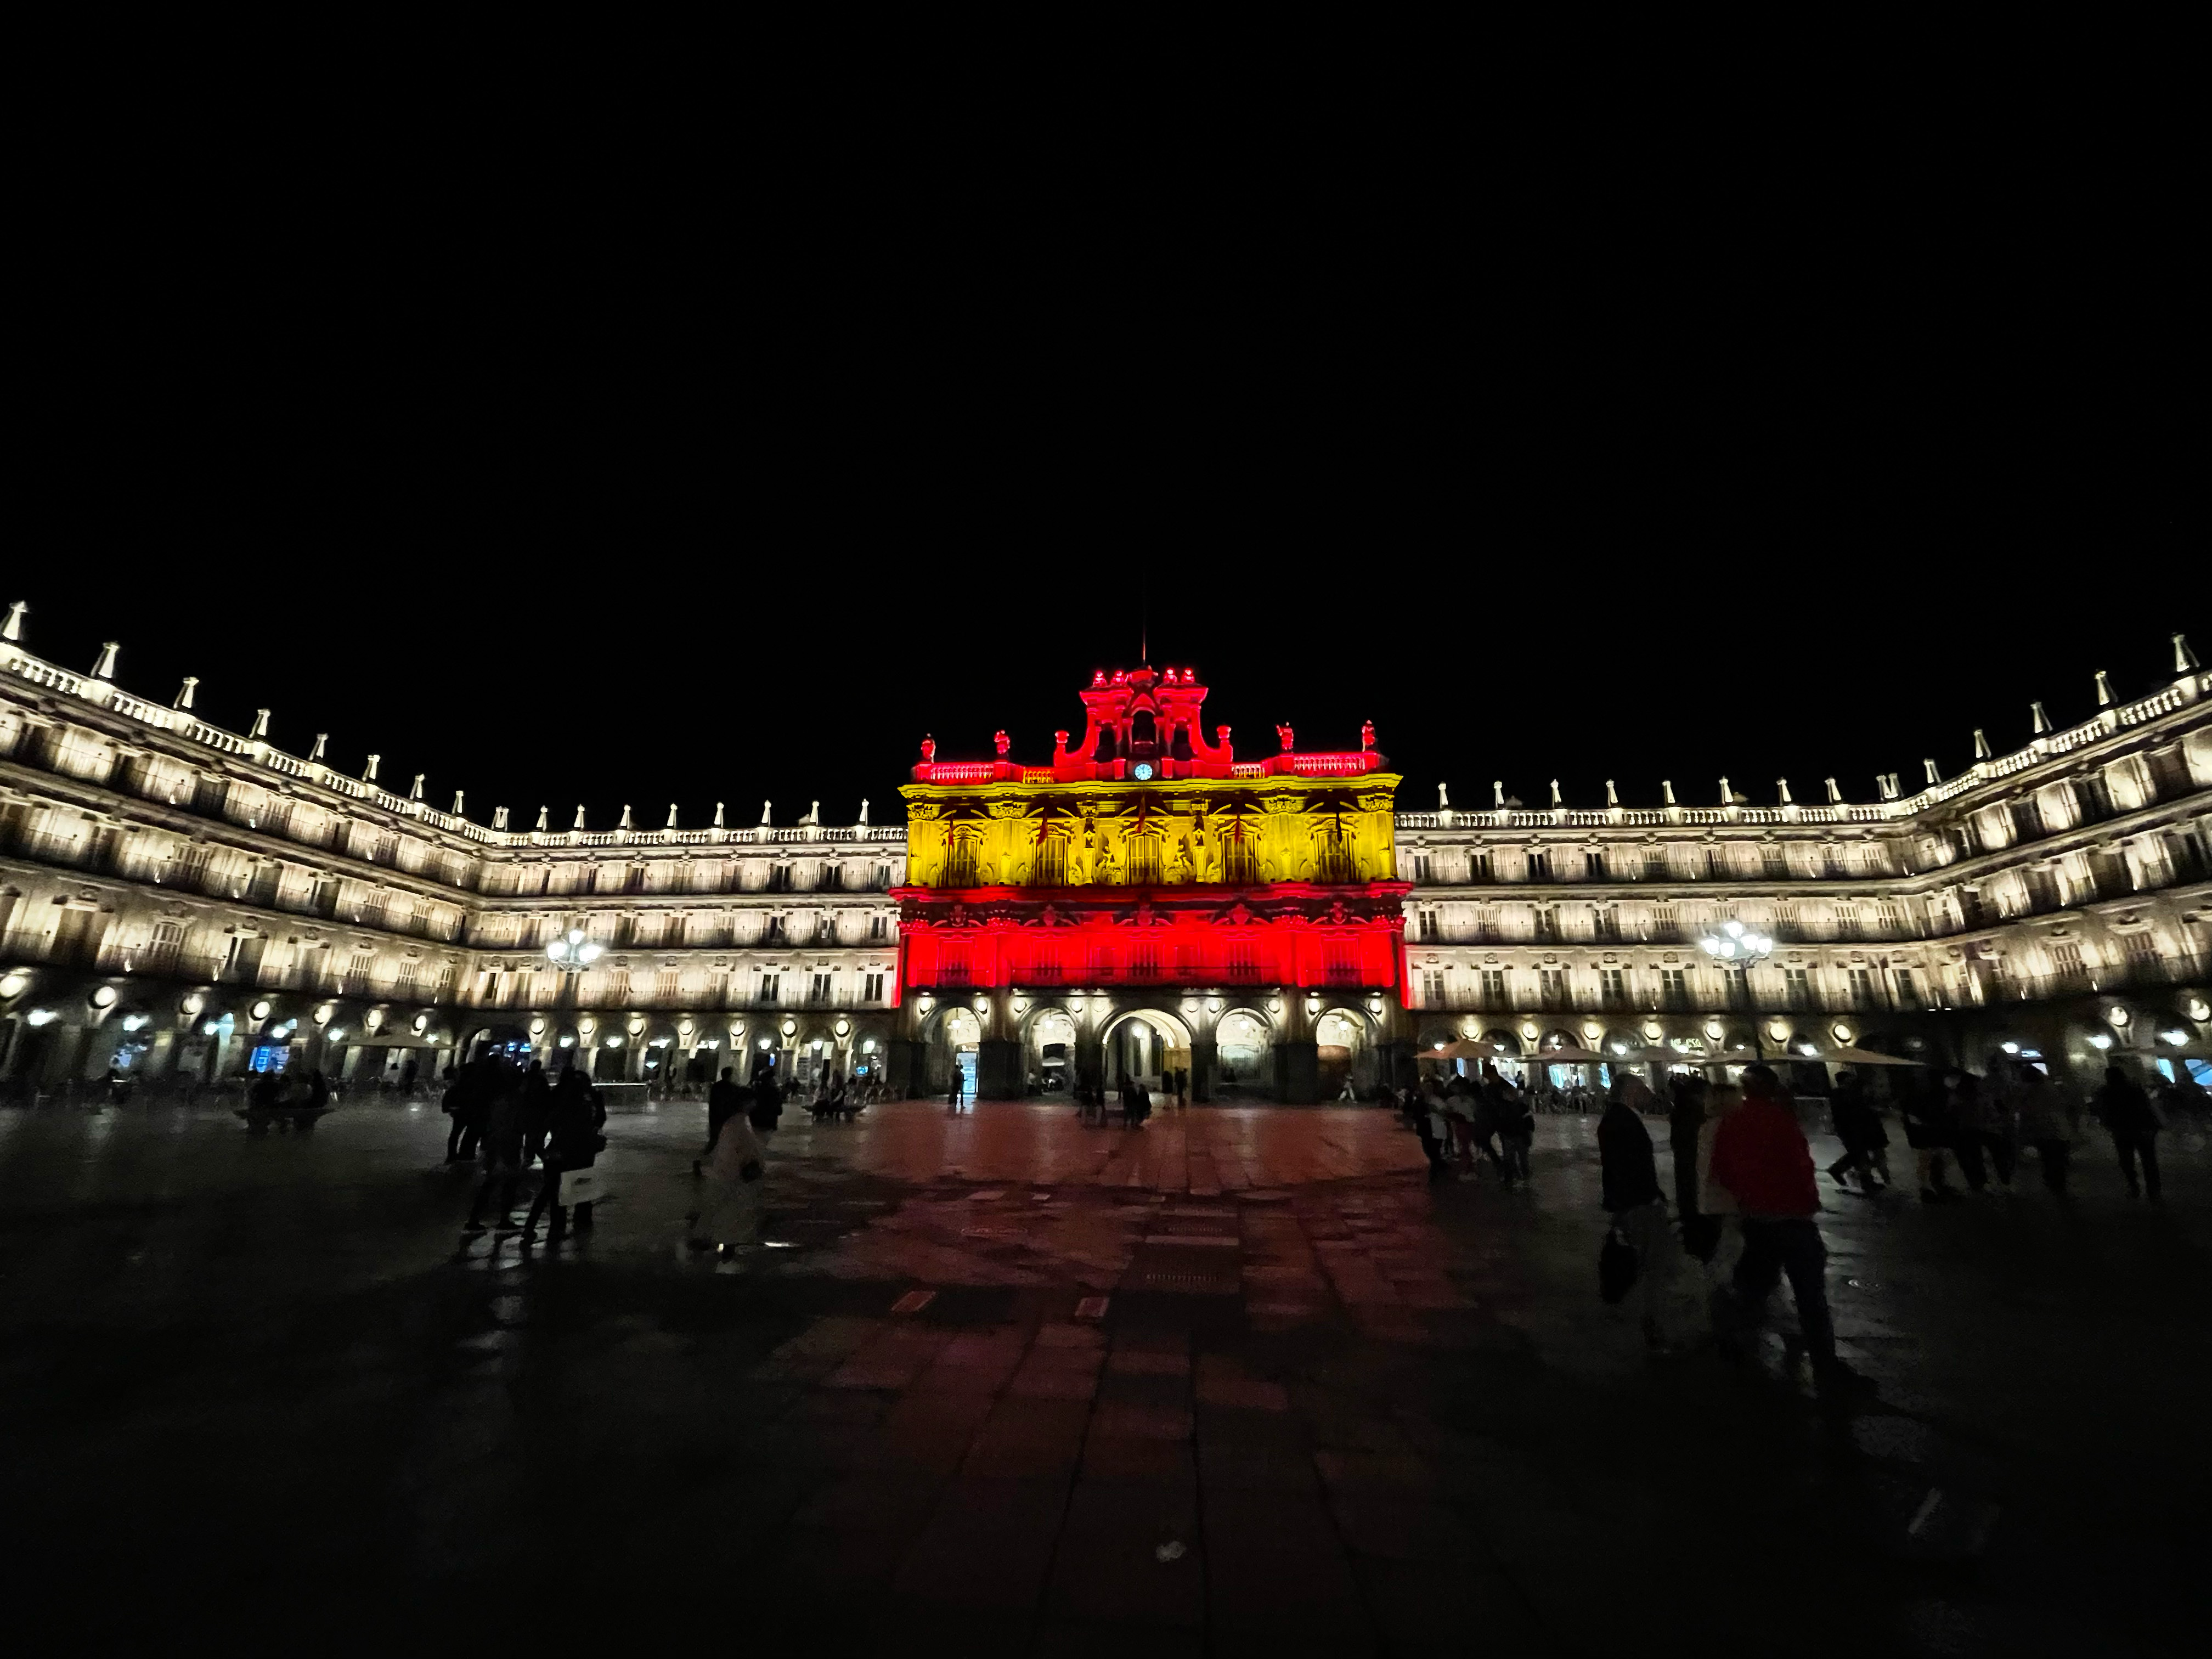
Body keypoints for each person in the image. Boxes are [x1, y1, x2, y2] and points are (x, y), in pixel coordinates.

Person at [1707, 1065, 1869, 1395]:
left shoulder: (1732, 1123)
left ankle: (1733, 1345)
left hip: (1756, 1219)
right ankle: (1826, 1366)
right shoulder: (1781, 1120)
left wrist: (1747, 1198)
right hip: (1793, 1220)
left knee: (1754, 1289)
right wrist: (1806, 1202)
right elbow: (1801, 1166)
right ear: (1772, 1088)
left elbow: (1722, 1169)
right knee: (1811, 1297)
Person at [1600, 1073, 1677, 1348]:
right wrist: (1648, 1199)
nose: (1649, 1093)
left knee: (1648, 1262)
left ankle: (1640, 1316)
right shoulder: (1621, 1120)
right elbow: (1625, 1168)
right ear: (1630, 1092)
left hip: (1636, 1202)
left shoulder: (1619, 1118)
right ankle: (1651, 1325)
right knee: (1653, 1265)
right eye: (1643, 1088)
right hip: (1639, 1205)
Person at [690, 1102, 768, 1258]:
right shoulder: (740, 1126)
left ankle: (710, 1240)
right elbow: (747, 1149)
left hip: (725, 1173)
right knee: (730, 1213)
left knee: (721, 1209)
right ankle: (725, 1246)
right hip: (734, 1176)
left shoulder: (732, 1125)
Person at [464, 1070, 527, 1232]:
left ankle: (481, 1219)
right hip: (505, 1146)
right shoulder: (511, 1102)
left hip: (502, 1145)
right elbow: (504, 1127)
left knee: (496, 1184)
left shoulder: (502, 1100)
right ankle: (490, 1219)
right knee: (501, 1183)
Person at [2092, 1064, 2163, 1201]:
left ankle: (2134, 1186)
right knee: (2149, 1161)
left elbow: (2101, 1110)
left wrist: (2108, 1124)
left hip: (2121, 1130)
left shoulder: (2105, 1092)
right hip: (2142, 1128)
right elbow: (2147, 1108)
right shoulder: (2135, 1089)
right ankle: (2154, 1190)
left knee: (2127, 1161)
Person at [1668, 1075, 1716, 1259]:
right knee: (1696, 1207)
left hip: (1687, 1171)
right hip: (1695, 1171)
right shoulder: (1694, 1114)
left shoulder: (1682, 1111)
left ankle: (1695, 1240)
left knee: (1689, 1202)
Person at [2011, 1061, 2075, 1197]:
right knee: (2057, 1157)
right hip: (2057, 1127)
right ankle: (2059, 1185)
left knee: (2048, 1157)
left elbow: (2024, 1110)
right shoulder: (2051, 1088)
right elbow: (2065, 1104)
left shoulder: (2026, 1091)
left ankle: (2054, 1183)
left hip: (2042, 1129)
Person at [1824, 1069, 1888, 1195]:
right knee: (1859, 1155)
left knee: (1858, 1154)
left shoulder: (1849, 1094)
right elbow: (1847, 1113)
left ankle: (1861, 1179)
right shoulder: (1841, 1095)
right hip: (1850, 1129)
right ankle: (1864, 1182)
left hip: (1855, 1129)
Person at [1900, 1069, 1960, 1203]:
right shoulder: (1927, 1094)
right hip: (1927, 1130)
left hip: (1930, 1129)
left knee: (1934, 1157)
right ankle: (1928, 1186)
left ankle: (1933, 1184)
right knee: (1928, 1157)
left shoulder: (1928, 1092)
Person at [699, 1066, 745, 1173]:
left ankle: (702, 1161)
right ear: (731, 1075)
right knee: (727, 1142)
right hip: (727, 1119)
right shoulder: (732, 1088)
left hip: (716, 1118)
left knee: (714, 1141)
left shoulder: (716, 1086)